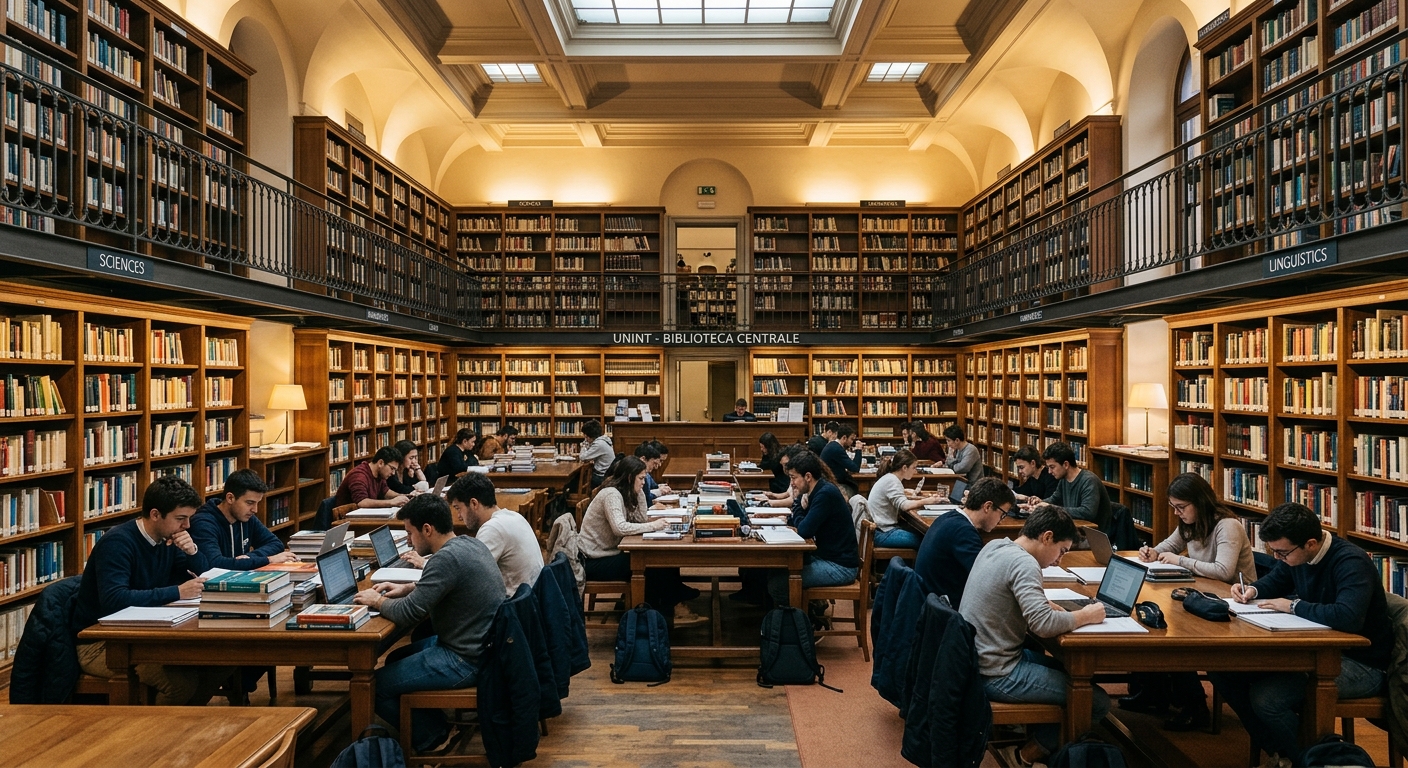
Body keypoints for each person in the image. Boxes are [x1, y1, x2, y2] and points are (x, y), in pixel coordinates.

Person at [1214, 503, 1391, 767]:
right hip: (1315, 651)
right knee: (1226, 671)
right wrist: (1252, 590)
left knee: (1268, 699)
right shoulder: (1297, 556)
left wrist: (1294, 605)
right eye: (1273, 551)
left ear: (1310, 543)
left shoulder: (1350, 561)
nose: (1277, 558)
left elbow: (1348, 617)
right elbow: (1276, 579)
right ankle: (1281, 752)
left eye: (1282, 552)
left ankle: (1307, 760)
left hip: (1362, 662)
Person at [959, 505, 1110, 765]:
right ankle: (1024, 755)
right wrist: (1087, 615)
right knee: (1096, 700)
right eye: (1062, 551)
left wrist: (1042, 602)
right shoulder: (1025, 563)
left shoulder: (997, 546)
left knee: (1072, 670)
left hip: (976, 660)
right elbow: (1043, 625)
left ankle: (1054, 743)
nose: (1059, 560)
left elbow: (1008, 596)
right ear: (1047, 537)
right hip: (996, 672)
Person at [355, 495, 503, 755]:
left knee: (373, 686)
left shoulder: (445, 559)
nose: (409, 541)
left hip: (466, 659)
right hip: (482, 645)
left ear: (427, 529)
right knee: (397, 657)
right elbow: (444, 583)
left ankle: (433, 737)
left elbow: (410, 613)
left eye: (410, 533)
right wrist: (407, 588)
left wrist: (377, 600)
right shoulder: (467, 543)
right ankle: (430, 720)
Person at [74, 476, 233, 706]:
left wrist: (193, 551)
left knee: (221, 663)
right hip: (103, 643)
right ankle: (160, 735)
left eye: (189, 518)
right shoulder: (118, 543)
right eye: (181, 518)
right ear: (156, 514)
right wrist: (177, 592)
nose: (187, 526)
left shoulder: (167, 538)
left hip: (144, 634)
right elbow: (114, 600)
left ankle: (186, 720)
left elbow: (204, 575)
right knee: (181, 684)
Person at [1123, 472, 1257, 730]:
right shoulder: (1190, 523)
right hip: (1202, 595)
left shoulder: (1227, 526)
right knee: (1154, 622)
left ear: (1200, 501)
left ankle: (1194, 705)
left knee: (1173, 636)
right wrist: (1152, 551)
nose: (1177, 513)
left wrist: (1181, 561)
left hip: (1232, 604)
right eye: (1173, 507)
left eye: (1181, 507)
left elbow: (1224, 571)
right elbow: (1168, 546)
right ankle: (1155, 693)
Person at [579, 456, 705, 626]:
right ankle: (663, 616)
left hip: (608, 553)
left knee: (659, 562)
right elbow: (620, 528)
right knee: (651, 567)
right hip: (593, 560)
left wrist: (639, 494)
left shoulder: (625, 492)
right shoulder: (611, 494)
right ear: (630, 478)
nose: (644, 483)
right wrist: (654, 526)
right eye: (641, 478)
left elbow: (641, 519)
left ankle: (667, 609)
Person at [766, 452, 859, 627]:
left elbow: (804, 530)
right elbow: (798, 523)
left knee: (778, 584)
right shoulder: (816, 490)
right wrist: (800, 506)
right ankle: (806, 612)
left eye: (793, 478)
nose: (791, 483)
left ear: (808, 476)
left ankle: (802, 626)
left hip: (841, 566)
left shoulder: (824, 494)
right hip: (827, 555)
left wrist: (798, 504)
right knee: (775, 571)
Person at [913, 478, 1016, 606]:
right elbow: (986, 577)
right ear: (988, 506)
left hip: (928, 599)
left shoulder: (949, 517)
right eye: (1003, 514)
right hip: (940, 610)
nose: (1001, 521)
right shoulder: (963, 532)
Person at [444, 473, 543, 596]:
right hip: (532, 598)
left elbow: (469, 575)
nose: (459, 516)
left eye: (458, 508)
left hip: (515, 607)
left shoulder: (493, 528)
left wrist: (429, 564)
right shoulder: (513, 516)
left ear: (474, 503)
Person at [190, 468, 298, 570]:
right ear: (230, 498)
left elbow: (275, 544)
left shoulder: (246, 517)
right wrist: (267, 560)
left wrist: (249, 558)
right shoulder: (203, 524)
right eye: (249, 503)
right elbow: (215, 564)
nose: (255, 510)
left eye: (257, 503)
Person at [866, 449, 949, 549]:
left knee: (923, 535)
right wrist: (928, 501)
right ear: (904, 467)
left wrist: (909, 493)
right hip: (883, 532)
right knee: (928, 541)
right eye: (913, 468)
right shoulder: (893, 481)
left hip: (881, 529)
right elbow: (904, 505)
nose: (915, 471)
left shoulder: (890, 478)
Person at [1027, 441, 1110, 529]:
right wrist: (1039, 503)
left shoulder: (1089, 481)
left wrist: (1050, 507)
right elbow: (1055, 499)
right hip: (1075, 530)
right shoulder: (1064, 480)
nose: (1049, 472)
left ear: (1066, 464)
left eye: (1052, 467)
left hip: (1093, 536)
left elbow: (1087, 512)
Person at [334, 446, 408, 509]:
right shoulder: (359, 476)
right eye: (392, 468)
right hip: (347, 520)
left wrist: (404, 497)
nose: (393, 473)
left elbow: (385, 491)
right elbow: (362, 502)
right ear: (380, 463)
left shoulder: (379, 474)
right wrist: (391, 502)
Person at [820, 423, 862, 497]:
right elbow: (855, 468)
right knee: (858, 491)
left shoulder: (833, 445)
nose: (852, 442)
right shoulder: (836, 448)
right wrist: (858, 449)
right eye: (851, 439)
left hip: (829, 483)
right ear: (844, 438)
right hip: (833, 485)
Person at [579, 420, 615, 488]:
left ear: (589, 436)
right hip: (607, 474)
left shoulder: (599, 444)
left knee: (577, 478)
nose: (586, 439)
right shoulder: (604, 440)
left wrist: (583, 445)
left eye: (586, 437)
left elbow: (582, 457)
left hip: (602, 477)